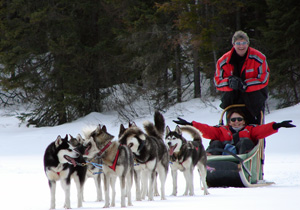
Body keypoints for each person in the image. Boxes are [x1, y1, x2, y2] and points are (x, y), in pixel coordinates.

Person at [173, 108, 296, 155]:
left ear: (244, 121)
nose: (236, 122)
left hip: (242, 157)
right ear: (229, 121)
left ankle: (239, 165)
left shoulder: (250, 130)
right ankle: (211, 166)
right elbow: (206, 129)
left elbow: (262, 130)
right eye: (233, 119)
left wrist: (277, 125)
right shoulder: (222, 130)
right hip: (222, 158)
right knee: (215, 142)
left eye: (239, 119)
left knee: (244, 141)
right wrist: (190, 124)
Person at [214, 30, 269, 124]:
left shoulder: (259, 58)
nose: (241, 46)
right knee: (233, 132)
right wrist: (229, 82)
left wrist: (245, 85)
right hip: (232, 102)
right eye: (238, 43)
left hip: (254, 102)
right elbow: (218, 81)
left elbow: (263, 79)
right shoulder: (223, 61)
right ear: (233, 44)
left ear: (248, 44)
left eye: (244, 43)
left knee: (256, 133)